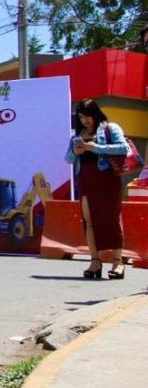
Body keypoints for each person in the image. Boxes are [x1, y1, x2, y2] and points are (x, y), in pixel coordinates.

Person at [64, 99, 129, 279]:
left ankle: (118, 262)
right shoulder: (77, 135)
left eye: (89, 115)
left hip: (107, 179)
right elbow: (68, 159)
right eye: (82, 116)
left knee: (112, 219)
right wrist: (75, 152)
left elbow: (123, 148)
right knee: (88, 219)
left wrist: (95, 147)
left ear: (96, 113)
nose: (86, 120)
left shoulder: (110, 128)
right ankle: (95, 261)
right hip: (86, 180)